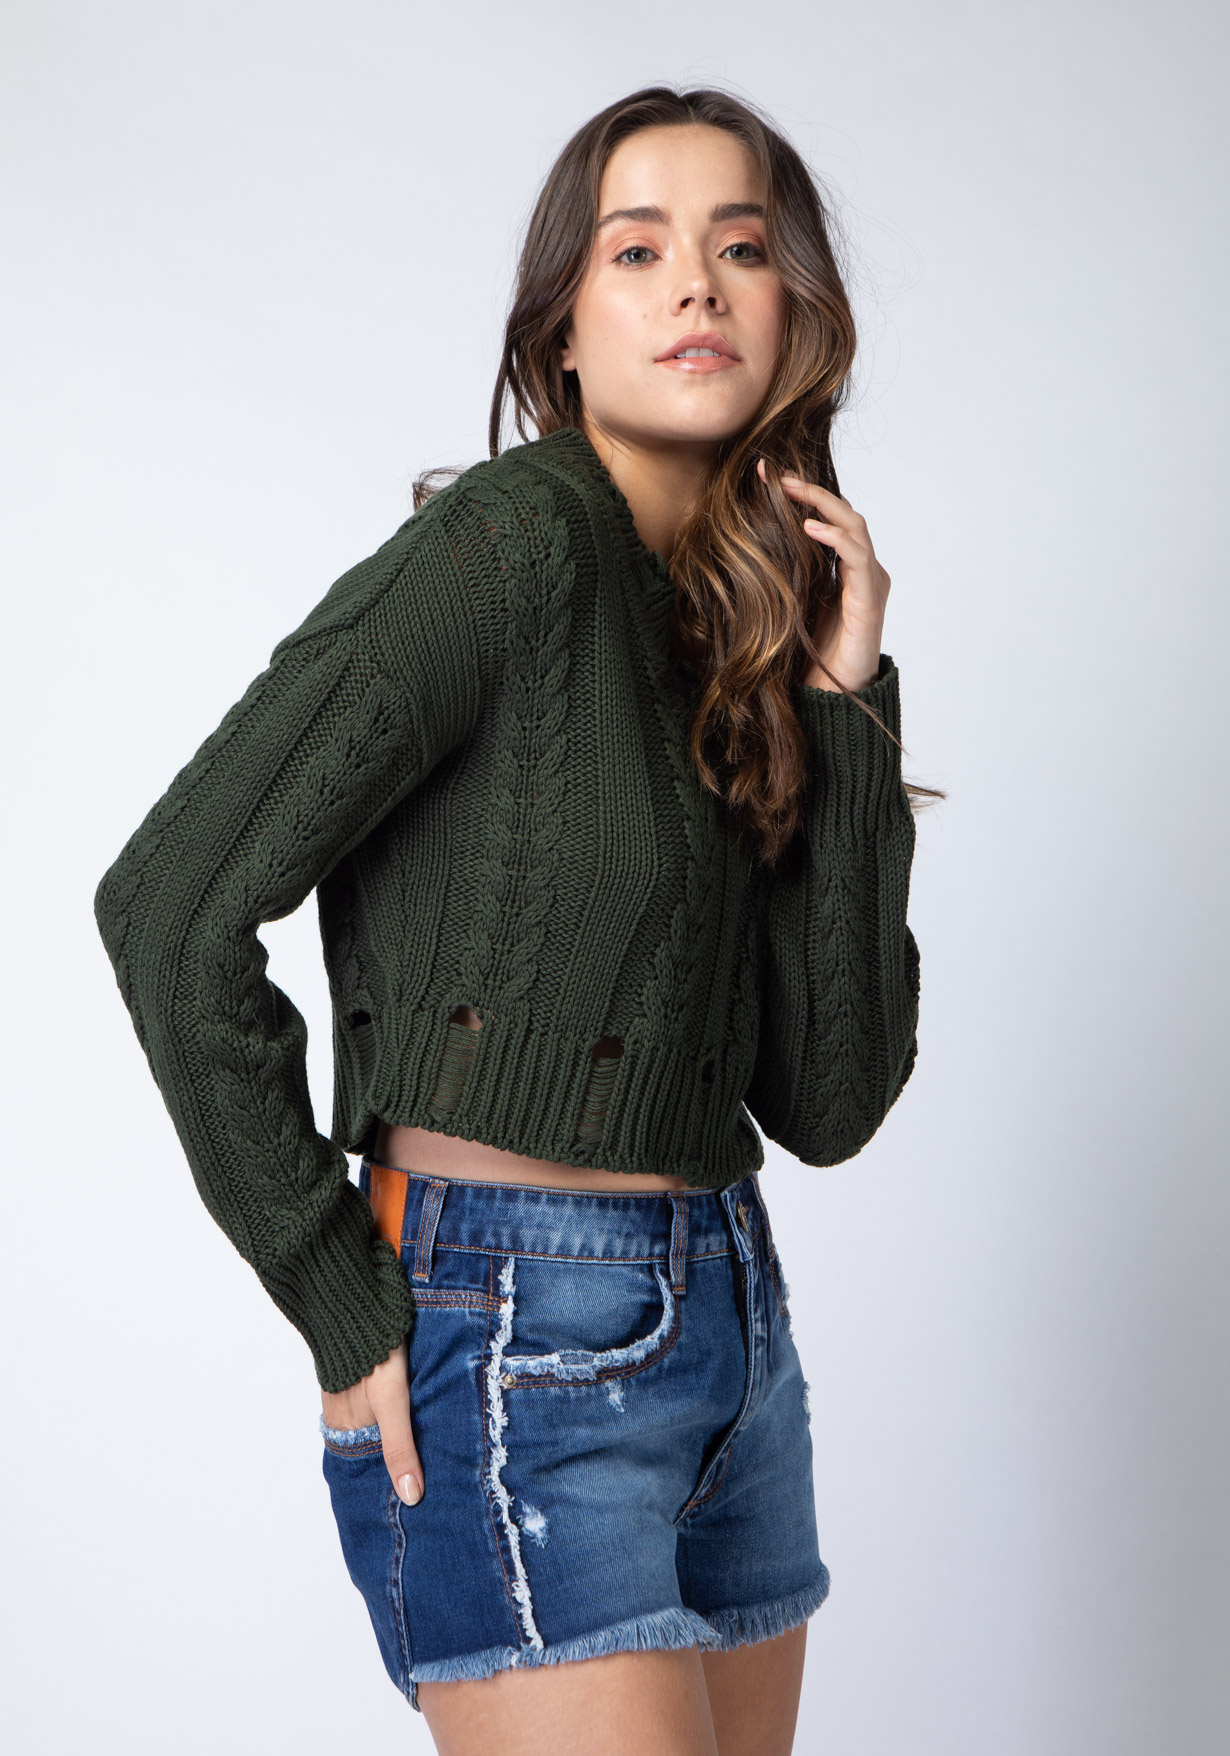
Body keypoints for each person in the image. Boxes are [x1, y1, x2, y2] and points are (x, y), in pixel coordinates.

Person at [94, 83, 931, 1756]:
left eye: (739, 247)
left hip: (732, 1327)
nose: (694, 284)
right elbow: (169, 903)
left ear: (793, 311)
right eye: (637, 249)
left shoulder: (738, 629)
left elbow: (828, 1105)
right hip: (507, 1333)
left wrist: (843, 708)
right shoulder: (509, 548)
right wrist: (332, 1290)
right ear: (561, 330)